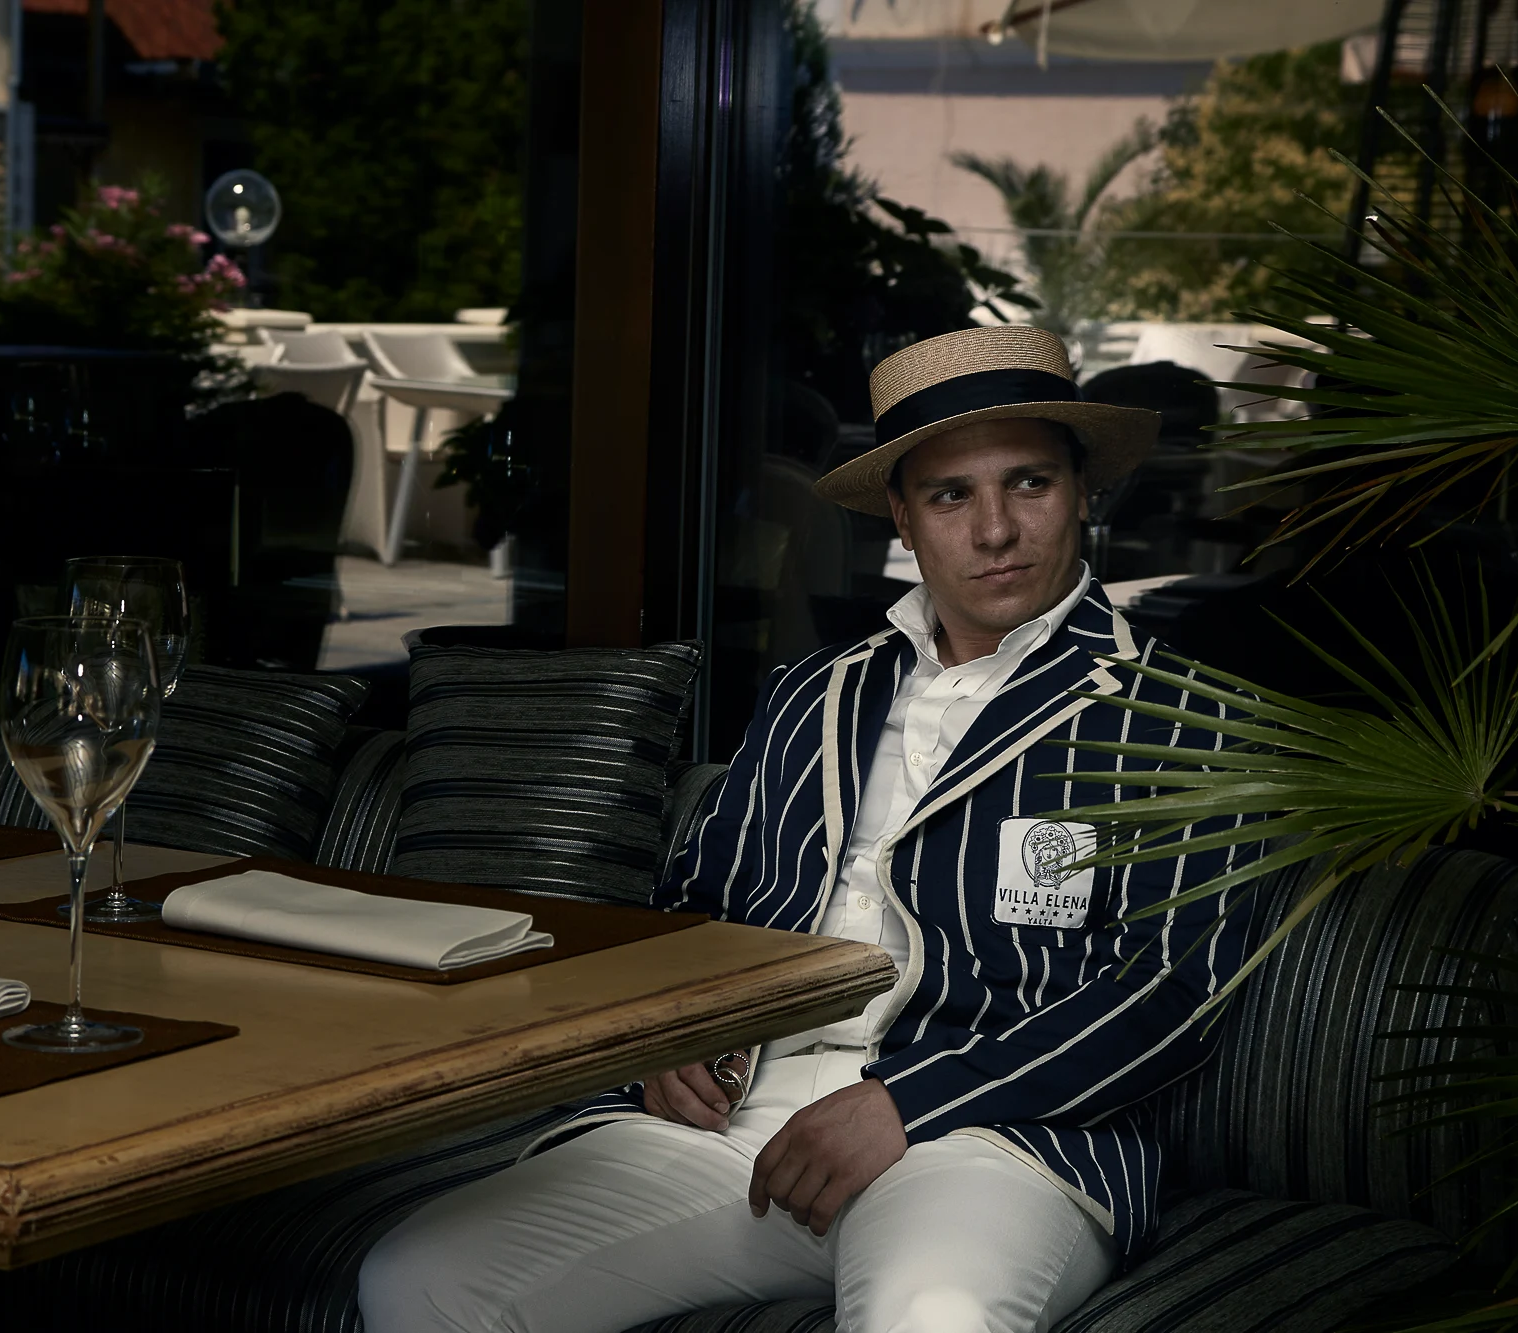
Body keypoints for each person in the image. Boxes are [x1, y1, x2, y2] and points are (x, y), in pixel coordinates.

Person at [358, 325, 1259, 1333]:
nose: (995, 529)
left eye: (1029, 483)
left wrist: (906, 1100)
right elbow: (695, 903)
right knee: (421, 1278)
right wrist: (673, 1035)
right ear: (902, 518)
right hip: (729, 1124)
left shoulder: (1185, 719)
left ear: (1083, 491)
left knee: (933, 1318)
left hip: (991, 1139)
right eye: (949, 495)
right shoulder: (809, 694)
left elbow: (1176, 987)